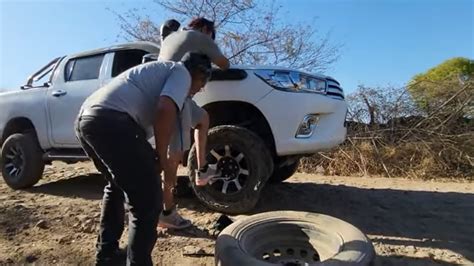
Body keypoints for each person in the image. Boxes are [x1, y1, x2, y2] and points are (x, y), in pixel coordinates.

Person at [75, 52, 212, 265]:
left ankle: (107, 255)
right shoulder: (181, 72)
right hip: (112, 120)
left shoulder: (158, 73)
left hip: (87, 120)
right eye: (203, 82)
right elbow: (165, 109)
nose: (200, 88)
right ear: (197, 72)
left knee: (117, 185)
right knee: (147, 200)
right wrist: (160, 156)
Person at [157, 17, 230, 229]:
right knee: (174, 156)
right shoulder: (199, 36)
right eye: (212, 36)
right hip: (174, 96)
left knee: (202, 118)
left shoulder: (171, 37)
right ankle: (166, 212)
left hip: (168, 92)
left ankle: (202, 169)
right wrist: (210, 54)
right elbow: (225, 64)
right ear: (207, 29)